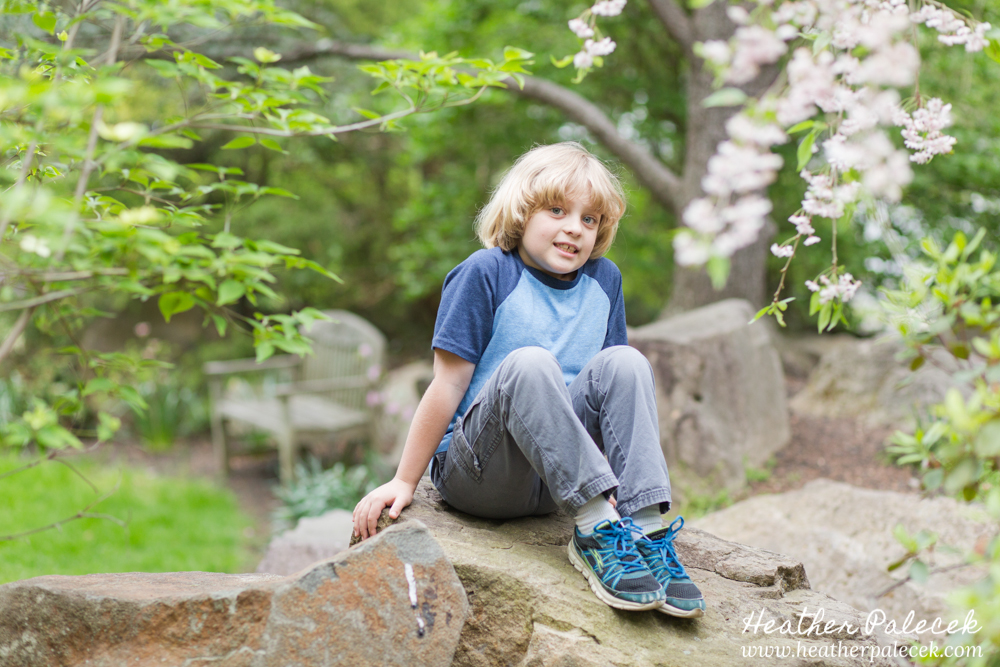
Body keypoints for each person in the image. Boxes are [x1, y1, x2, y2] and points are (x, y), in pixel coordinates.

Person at [352, 142, 705, 617]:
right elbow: (447, 385)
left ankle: (643, 529)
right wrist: (403, 479)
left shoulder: (605, 281)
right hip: (482, 474)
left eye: (589, 219)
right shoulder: (485, 273)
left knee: (627, 361)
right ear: (522, 211)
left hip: (558, 485)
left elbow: (610, 397)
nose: (574, 228)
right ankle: (595, 528)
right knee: (531, 363)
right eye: (557, 210)